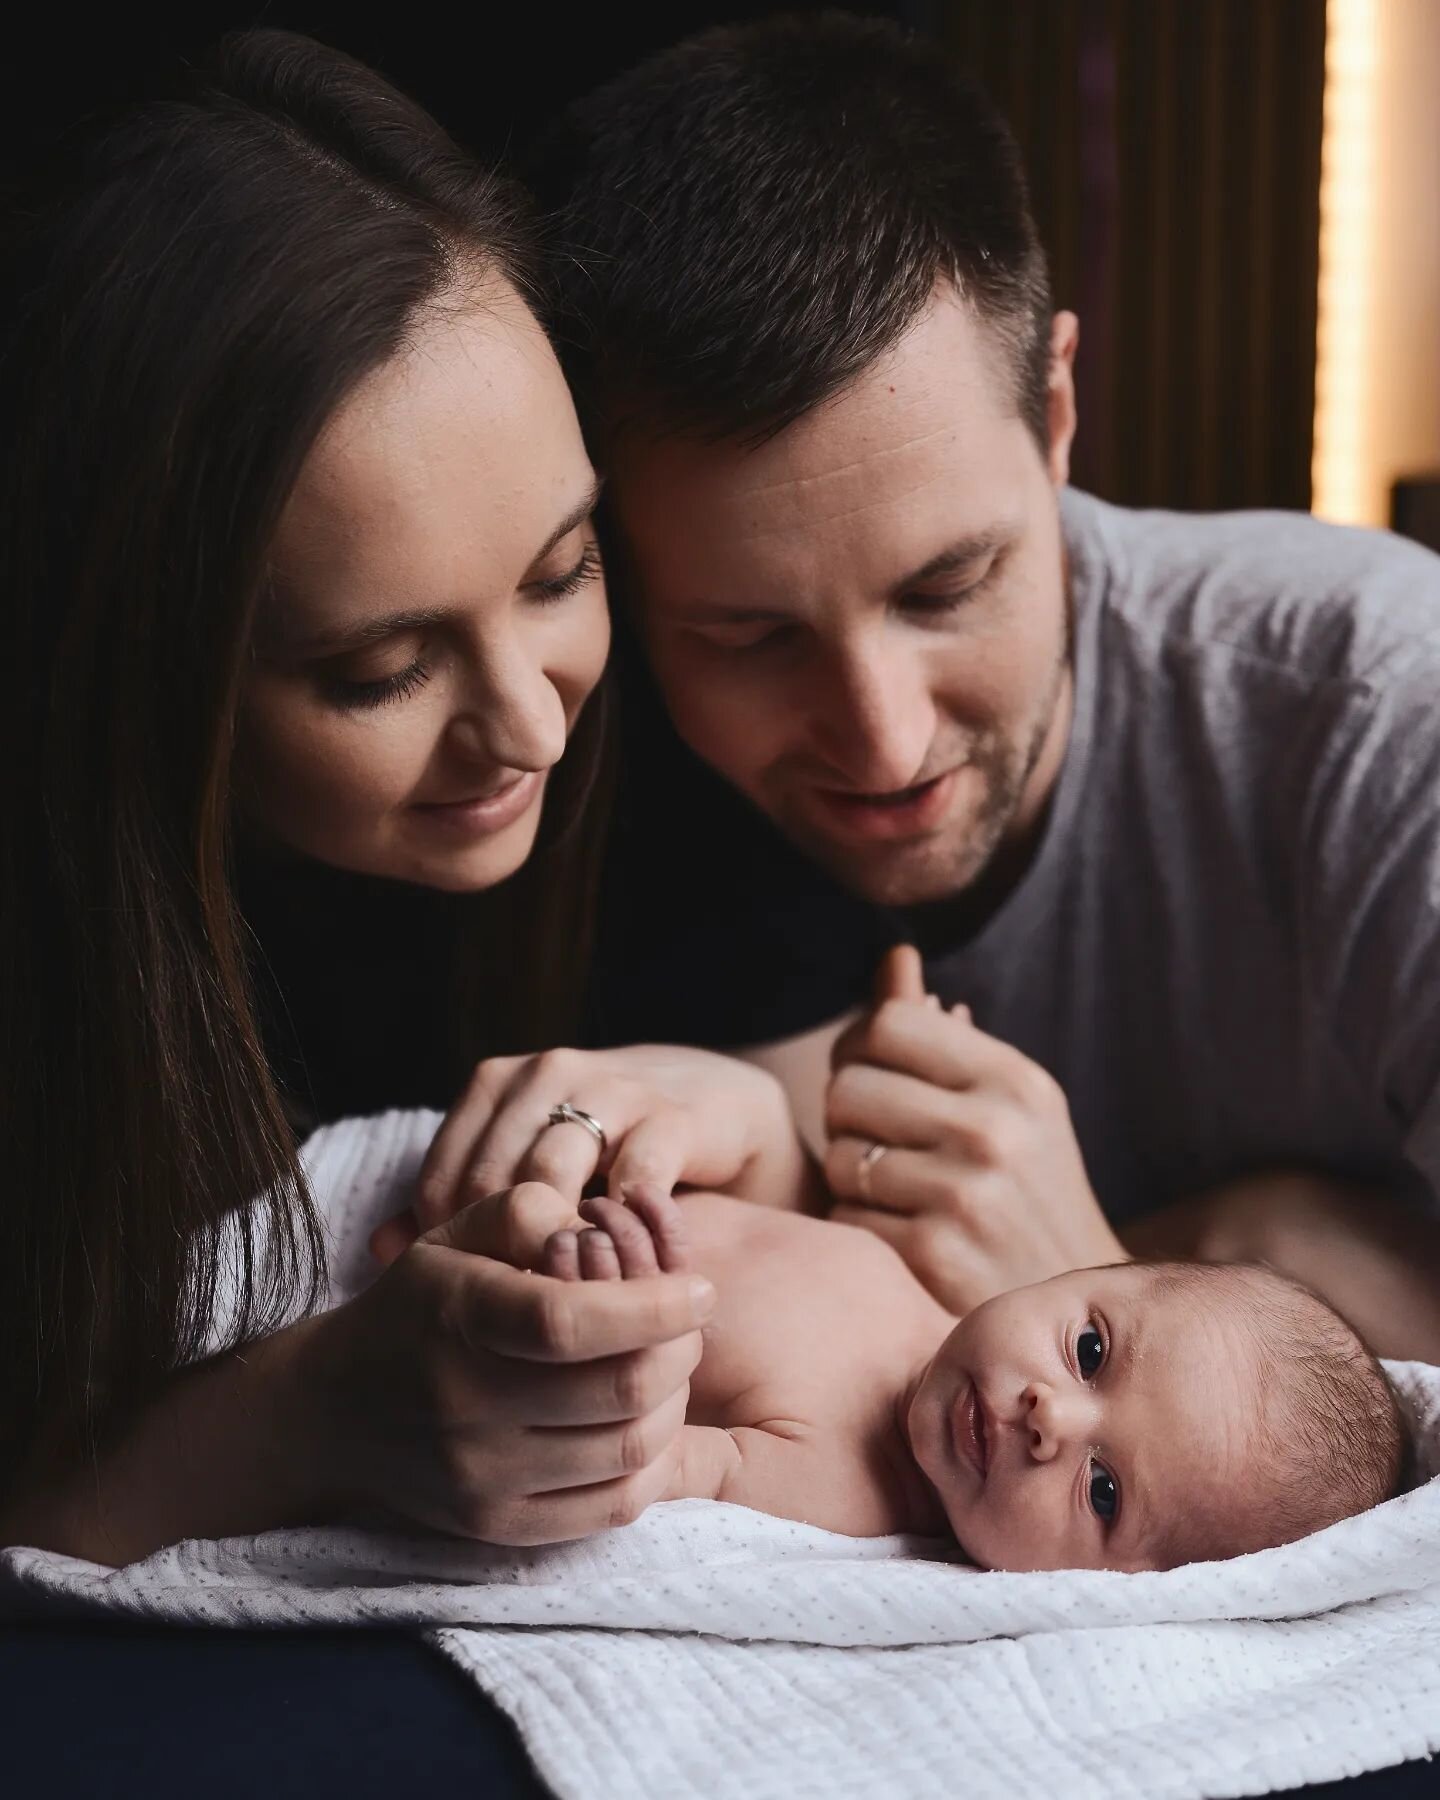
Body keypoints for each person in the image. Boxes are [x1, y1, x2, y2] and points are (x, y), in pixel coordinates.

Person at [440, 9, 1440, 1362]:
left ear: (1059, 413)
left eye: (947, 586)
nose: (884, 739)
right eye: (752, 636)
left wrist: (1110, 1288)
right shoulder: (555, 752)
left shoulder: (1387, 725)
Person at [0, 27, 803, 1565]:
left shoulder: (683, 715)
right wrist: (298, 1418)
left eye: (562, 572)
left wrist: (745, 1118)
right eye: (379, 672)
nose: (527, 728)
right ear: (150, 678)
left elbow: (835, 1129)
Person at [517, 1183, 1408, 1571]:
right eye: (1090, 1353)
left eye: (1103, 1493)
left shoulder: (842, 1486)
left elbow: (643, 1462)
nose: (1047, 1417)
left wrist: (624, 1322)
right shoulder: (924, 1282)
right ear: (1074, 1275)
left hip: (536, 1312)